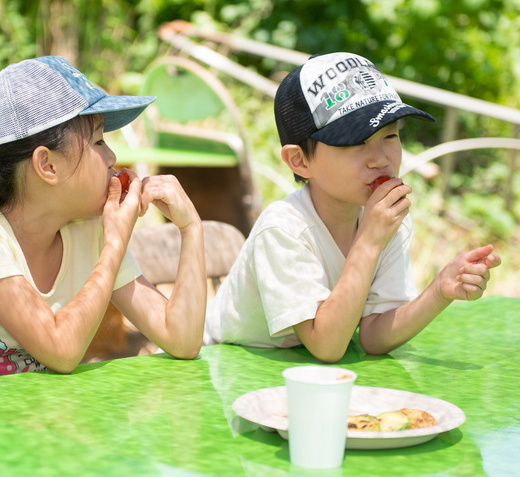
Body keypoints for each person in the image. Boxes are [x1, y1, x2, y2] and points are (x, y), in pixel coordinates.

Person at [0, 56, 206, 386]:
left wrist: (191, 228)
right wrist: (114, 244)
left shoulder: (87, 228)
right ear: (47, 165)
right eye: (98, 142)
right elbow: (62, 350)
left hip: (29, 423)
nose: (112, 158)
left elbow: (182, 339)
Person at [204, 52, 501, 362]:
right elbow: (327, 345)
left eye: (390, 135)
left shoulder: (384, 220)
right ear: (300, 160)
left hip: (297, 371)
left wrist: (438, 291)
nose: (381, 159)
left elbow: (373, 335)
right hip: (220, 367)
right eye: (354, 143)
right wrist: (370, 240)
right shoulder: (283, 229)